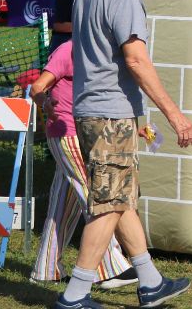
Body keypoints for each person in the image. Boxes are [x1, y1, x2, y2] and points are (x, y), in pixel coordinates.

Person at [57, 0, 192, 309]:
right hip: (110, 114)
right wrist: (174, 115)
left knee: (121, 198)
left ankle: (150, 282)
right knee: (109, 203)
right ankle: (75, 293)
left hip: (90, 109)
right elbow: (136, 59)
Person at [29, 40, 135, 289]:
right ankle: (110, 269)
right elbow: (36, 88)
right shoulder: (68, 50)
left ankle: (46, 269)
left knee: (63, 205)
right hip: (67, 133)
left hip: (87, 132)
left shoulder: (99, 51)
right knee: (95, 197)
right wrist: (45, 104)